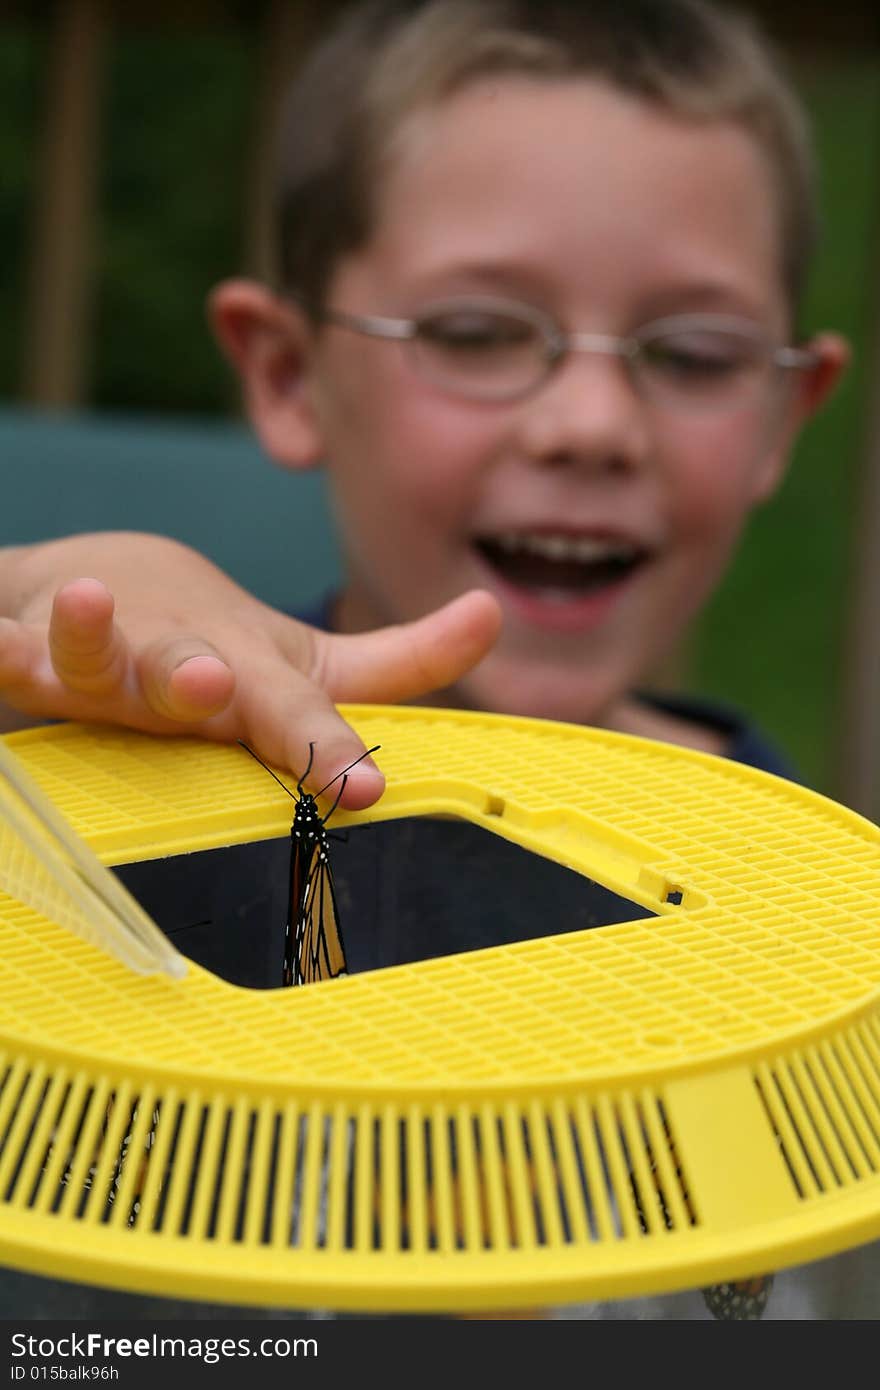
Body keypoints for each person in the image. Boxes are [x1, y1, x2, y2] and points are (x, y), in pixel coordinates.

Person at [0, 0, 871, 1319]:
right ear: (290, 375)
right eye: (476, 333)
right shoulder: (166, 755)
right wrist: (61, 616)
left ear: (779, 417)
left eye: (692, 352)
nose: (593, 423)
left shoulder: (807, 882)